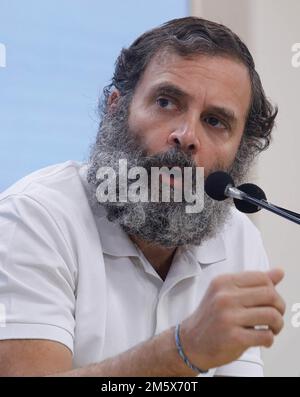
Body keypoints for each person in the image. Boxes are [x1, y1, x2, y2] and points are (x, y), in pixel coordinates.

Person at [0, 16, 285, 377]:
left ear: (239, 152)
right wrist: (183, 349)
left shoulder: (240, 239)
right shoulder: (33, 218)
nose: (186, 135)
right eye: (166, 102)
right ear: (117, 107)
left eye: (214, 121)